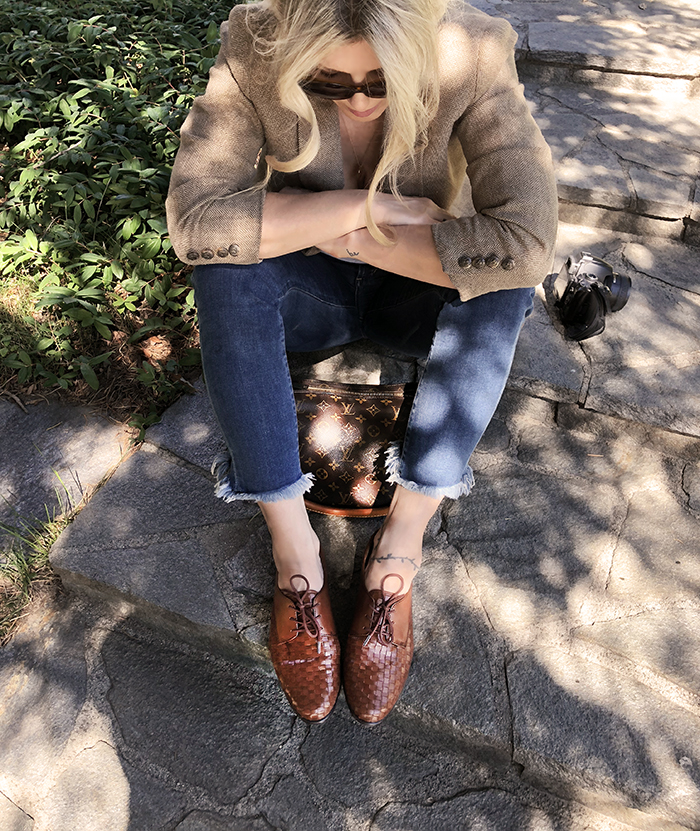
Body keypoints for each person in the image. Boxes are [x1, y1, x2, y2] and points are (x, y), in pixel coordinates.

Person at [166, 0, 558, 724]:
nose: (360, 101)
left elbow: (526, 239)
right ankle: (296, 556)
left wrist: (331, 233)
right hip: (314, 288)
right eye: (329, 83)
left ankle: (399, 549)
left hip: (414, 290)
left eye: (381, 82)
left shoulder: (472, 51)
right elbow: (195, 222)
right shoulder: (256, 41)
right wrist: (363, 214)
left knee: (502, 285)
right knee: (225, 271)